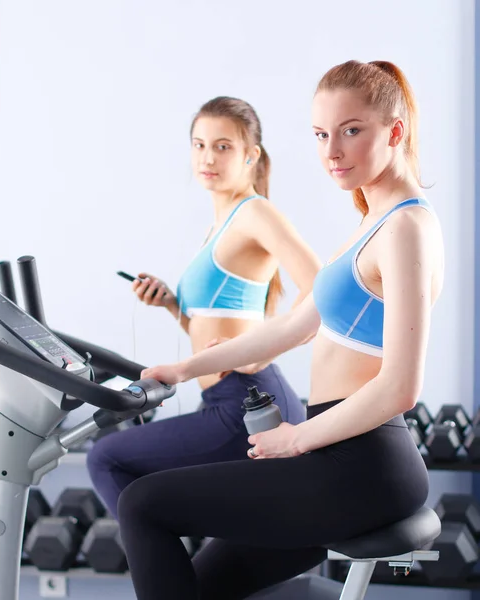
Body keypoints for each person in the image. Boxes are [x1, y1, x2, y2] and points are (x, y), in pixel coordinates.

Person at [116, 60, 445, 600]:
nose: (331, 151)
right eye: (321, 134)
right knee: (200, 585)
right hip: (337, 459)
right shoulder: (374, 218)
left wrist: (296, 439)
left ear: (395, 131)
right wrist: (184, 367)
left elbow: (401, 386)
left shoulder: (406, 226)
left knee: (142, 504)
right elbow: (296, 325)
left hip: (360, 470)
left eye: (351, 131)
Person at [87, 96, 321, 518]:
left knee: (105, 457)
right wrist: (174, 307)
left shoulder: (255, 213)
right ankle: (176, 573)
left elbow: (322, 290)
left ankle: (163, 574)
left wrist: (260, 352)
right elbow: (215, 329)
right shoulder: (223, 222)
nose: (207, 157)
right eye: (199, 145)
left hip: (246, 403)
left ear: (251, 155)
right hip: (223, 399)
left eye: (223, 146)